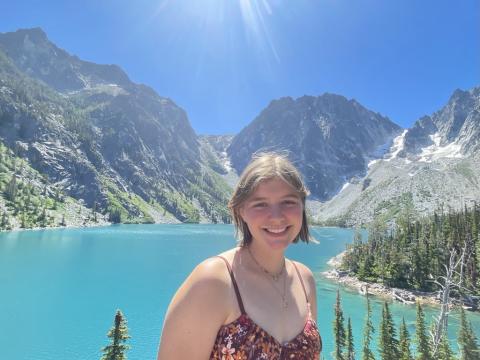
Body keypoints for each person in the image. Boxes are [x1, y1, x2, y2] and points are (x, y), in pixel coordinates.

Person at [157, 152, 322, 359]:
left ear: (301, 206)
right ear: (241, 210)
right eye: (260, 204)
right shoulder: (213, 280)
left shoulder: (305, 279)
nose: (277, 217)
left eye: (288, 202)